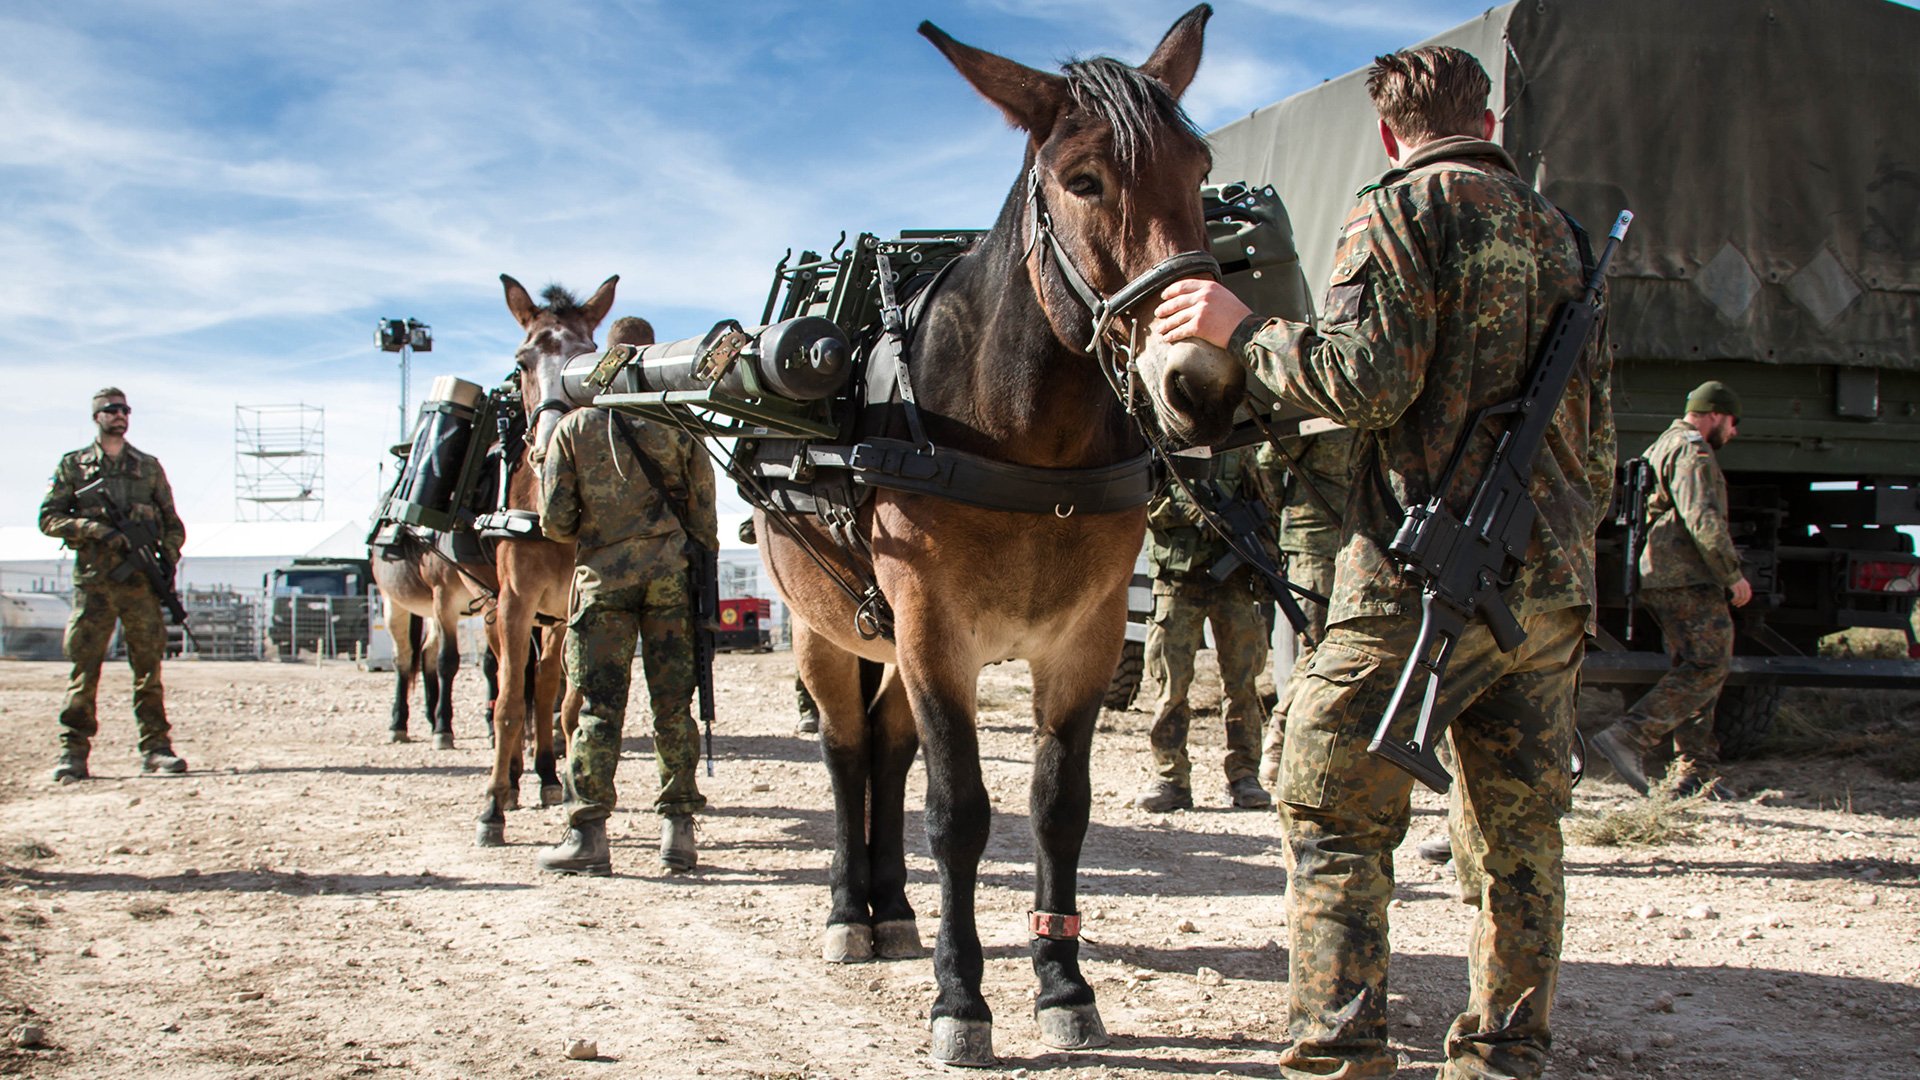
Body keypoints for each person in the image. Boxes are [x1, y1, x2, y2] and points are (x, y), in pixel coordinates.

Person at [1153, 45, 1614, 1080]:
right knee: (1518, 841)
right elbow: (1601, 436)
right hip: (1543, 596)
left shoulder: (1398, 207)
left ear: (1387, 131)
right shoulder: (1566, 234)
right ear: (1489, 123)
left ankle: (1341, 1054)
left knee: (1329, 809)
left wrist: (1246, 328)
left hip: (1418, 583)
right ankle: (1503, 1058)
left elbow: (1363, 380)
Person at [533, 400, 717, 876]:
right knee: (674, 707)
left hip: (601, 582)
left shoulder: (573, 428)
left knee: (597, 707)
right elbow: (704, 516)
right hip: (672, 582)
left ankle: (587, 835)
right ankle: (678, 830)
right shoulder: (679, 421)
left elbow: (555, 522)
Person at [1590, 381, 1751, 799]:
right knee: (1709, 664)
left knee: (1693, 667)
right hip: (1686, 575)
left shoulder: (1664, 444)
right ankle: (1630, 735)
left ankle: (1695, 772)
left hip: (1664, 574)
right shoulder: (1692, 450)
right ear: (1714, 414)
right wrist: (1731, 574)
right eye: (1732, 423)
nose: (1733, 434)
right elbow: (1702, 517)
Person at [39, 388, 189, 782]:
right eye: (112, 410)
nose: (120, 415)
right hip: (94, 584)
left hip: (139, 584)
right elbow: (49, 518)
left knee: (148, 669)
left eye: (125, 410)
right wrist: (93, 530)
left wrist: (165, 558)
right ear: (97, 417)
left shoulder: (148, 467)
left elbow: (173, 523)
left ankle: (156, 749)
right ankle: (73, 752)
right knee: (84, 668)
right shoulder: (74, 466)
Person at [1132, 448, 1274, 812]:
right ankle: (1170, 777)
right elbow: (1140, 507)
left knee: (1242, 685)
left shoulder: (1239, 452)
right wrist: (1192, 513)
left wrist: (1267, 567)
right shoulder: (1163, 452)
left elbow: (1265, 506)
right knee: (1172, 687)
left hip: (1235, 582)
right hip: (1179, 582)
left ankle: (1244, 776)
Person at [1254, 428, 1354, 789]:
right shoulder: (1319, 412)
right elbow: (1267, 461)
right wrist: (1283, 513)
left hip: (1360, 542)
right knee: (1316, 646)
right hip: (1312, 541)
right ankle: (1278, 745)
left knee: (1350, 646)